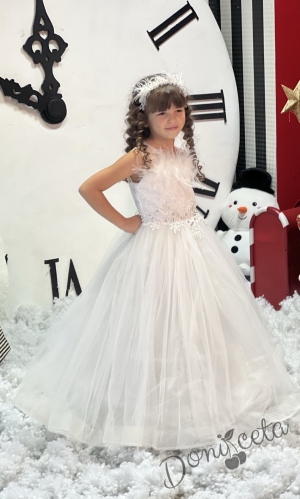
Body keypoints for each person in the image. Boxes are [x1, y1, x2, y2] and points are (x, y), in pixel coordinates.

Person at [11, 73, 300, 451]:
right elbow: (89, 187)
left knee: (201, 317)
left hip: (194, 243)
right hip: (156, 247)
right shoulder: (139, 156)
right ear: (144, 117)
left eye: (179, 110)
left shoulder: (180, 153)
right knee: (156, 318)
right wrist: (126, 222)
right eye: (162, 112)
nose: (172, 118)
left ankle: (209, 392)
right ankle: (151, 402)